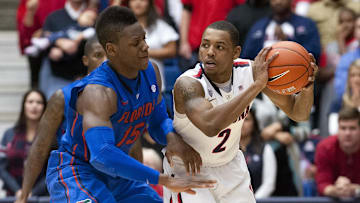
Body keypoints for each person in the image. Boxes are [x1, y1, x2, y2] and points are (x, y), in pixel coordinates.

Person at [45, 6, 216, 203]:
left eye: (144, 38)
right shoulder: (97, 92)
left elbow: (158, 121)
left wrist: (172, 139)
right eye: (136, 43)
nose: (145, 46)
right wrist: (162, 179)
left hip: (117, 174)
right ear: (112, 50)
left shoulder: (151, 71)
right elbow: (102, 155)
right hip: (77, 170)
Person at [163, 20, 317, 203]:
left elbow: (298, 113)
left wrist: (307, 88)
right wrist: (257, 86)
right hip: (190, 168)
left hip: (231, 165)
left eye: (219, 47)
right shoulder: (188, 84)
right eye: (205, 45)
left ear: (235, 52)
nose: (210, 52)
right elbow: (210, 125)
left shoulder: (251, 71)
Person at [15, 36, 107, 203]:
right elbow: (40, 146)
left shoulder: (125, 96)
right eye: (98, 55)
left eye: (109, 55)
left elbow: (132, 143)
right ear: (86, 60)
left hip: (109, 171)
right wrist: (24, 194)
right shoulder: (62, 97)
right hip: (72, 170)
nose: (104, 61)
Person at [0, 90, 47, 197]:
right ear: (23, 105)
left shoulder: (52, 137)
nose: (34, 106)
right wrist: (18, 191)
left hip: (42, 197)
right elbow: (2, 168)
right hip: (13, 196)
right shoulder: (9, 134)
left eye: (39, 102)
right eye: (30, 102)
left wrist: (32, 193)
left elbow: (54, 169)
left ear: (45, 107)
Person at [128, 0, 179, 91]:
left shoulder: (160, 26)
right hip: (128, 86)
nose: (138, 3)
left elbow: (172, 50)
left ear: (150, 3)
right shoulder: (123, 27)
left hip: (155, 84)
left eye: (142, 0)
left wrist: (143, 52)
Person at [315, 107, 360, 198]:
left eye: (352, 128)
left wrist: (354, 190)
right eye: (343, 128)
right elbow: (322, 184)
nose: (347, 133)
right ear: (337, 129)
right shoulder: (325, 147)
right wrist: (337, 190)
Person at [240, 109, 277, 198]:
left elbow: (269, 184)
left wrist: (253, 200)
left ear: (254, 123)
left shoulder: (265, 149)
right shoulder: (226, 149)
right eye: (238, 119)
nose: (242, 123)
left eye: (247, 119)